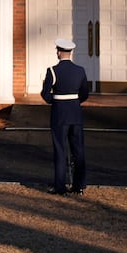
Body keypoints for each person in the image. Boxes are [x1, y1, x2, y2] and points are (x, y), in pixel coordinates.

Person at [41, 36, 92, 195]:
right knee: (78, 150)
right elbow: (84, 94)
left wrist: (54, 101)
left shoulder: (52, 71)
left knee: (60, 150)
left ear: (58, 52)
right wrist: (74, 102)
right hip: (75, 114)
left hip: (59, 114)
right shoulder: (80, 71)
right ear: (70, 52)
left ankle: (60, 186)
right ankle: (79, 186)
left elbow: (45, 94)